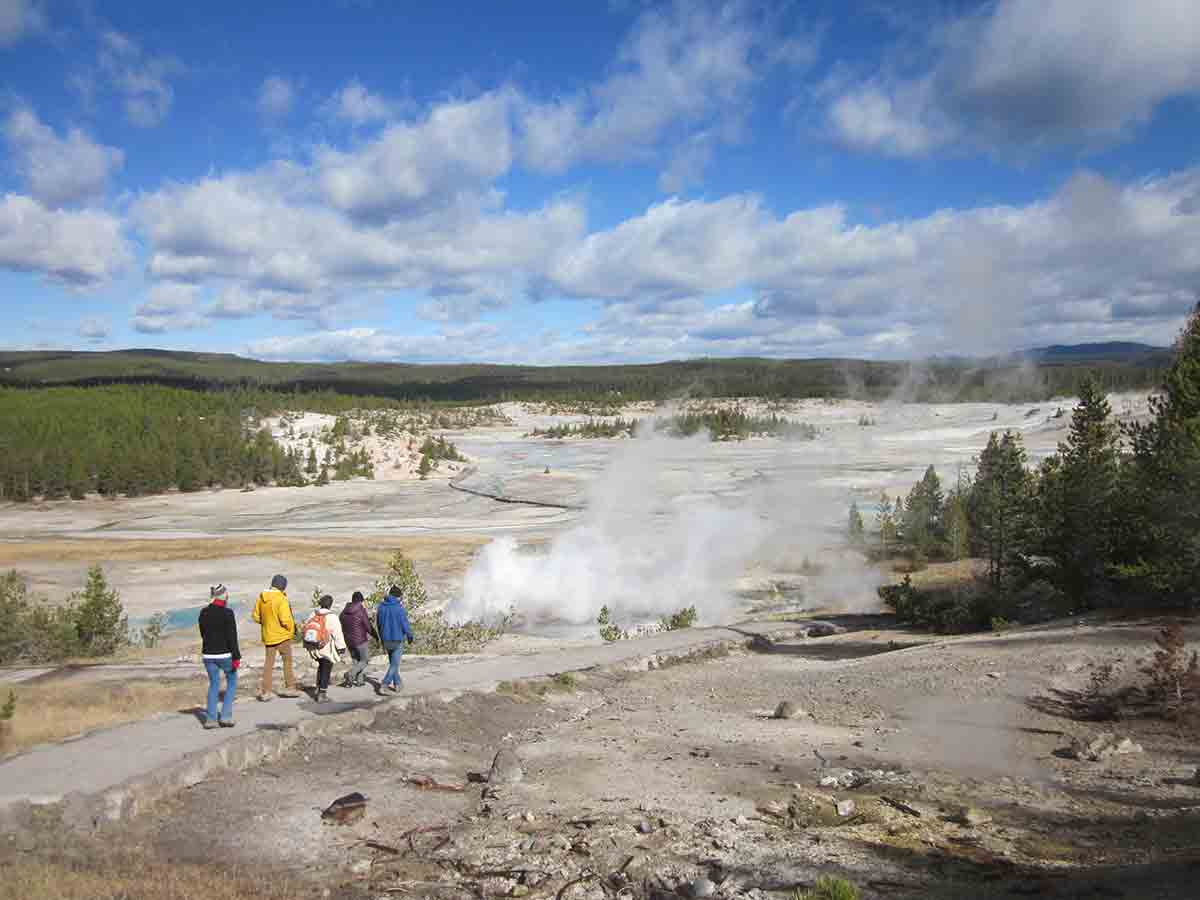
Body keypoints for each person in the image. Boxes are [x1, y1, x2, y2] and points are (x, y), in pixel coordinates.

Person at [198, 584, 240, 729]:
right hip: (225, 655)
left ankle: (210, 719)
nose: (228, 596)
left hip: (208, 655)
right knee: (232, 681)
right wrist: (236, 657)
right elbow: (232, 637)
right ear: (223, 596)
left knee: (214, 684)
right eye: (227, 594)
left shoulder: (203, 613)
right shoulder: (228, 613)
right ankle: (225, 716)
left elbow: (203, 633)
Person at [252, 574, 298, 701]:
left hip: (268, 636)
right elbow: (286, 619)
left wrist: (266, 624)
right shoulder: (281, 599)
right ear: (282, 586)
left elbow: (255, 616)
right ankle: (290, 687)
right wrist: (291, 629)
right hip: (282, 636)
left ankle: (266, 691)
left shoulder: (261, 598)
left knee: (268, 664)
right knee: (287, 662)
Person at [304, 594, 347, 702]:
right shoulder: (332, 617)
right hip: (325, 647)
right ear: (330, 605)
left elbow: (306, 628)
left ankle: (318, 688)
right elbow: (338, 633)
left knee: (321, 666)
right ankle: (322, 694)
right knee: (326, 668)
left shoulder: (313, 614)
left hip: (313, 646)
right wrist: (341, 647)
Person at [376, 584, 414, 694]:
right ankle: (384, 684)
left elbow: (378, 624)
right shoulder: (399, 608)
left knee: (393, 663)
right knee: (395, 664)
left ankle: (397, 684)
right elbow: (404, 625)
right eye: (400, 596)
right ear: (398, 596)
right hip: (397, 640)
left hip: (386, 639)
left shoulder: (381, 607)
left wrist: (381, 637)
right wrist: (410, 636)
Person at [339, 591, 376, 688]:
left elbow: (342, 622)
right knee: (365, 660)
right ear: (360, 601)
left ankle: (360, 680)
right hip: (360, 640)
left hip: (348, 641)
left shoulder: (344, 611)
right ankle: (350, 674)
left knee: (356, 661)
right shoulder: (360, 610)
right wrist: (375, 635)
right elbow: (368, 626)